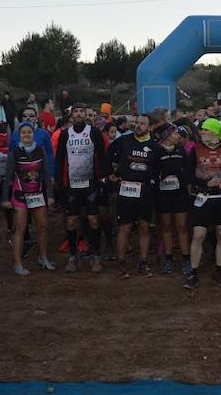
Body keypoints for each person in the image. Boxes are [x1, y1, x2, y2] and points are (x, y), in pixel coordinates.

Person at [183, 118, 221, 289]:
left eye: (205, 130)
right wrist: (205, 184)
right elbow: (187, 176)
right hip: (203, 197)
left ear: (214, 132)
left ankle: (219, 270)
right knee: (198, 235)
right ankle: (193, 272)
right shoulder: (195, 150)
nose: (201, 133)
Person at [55, 103, 108, 273]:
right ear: (72, 115)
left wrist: (104, 179)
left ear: (86, 114)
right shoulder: (65, 134)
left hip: (91, 184)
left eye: (81, 112)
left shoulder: (94, 132)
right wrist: (58, 183)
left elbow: (102, 156)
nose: (78, 114)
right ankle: (72, 255)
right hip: (71, 185)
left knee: (93, 220)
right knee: (71, 221)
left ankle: (95, 255)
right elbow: (60, 160)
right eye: (76, 112)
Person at [109, 113, 163, 279]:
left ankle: (143, 262)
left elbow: (158, 167)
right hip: (126, 189)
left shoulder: (155, 146)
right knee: (124, 227)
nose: (138, 126)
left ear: (149, 126)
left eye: (142, 123)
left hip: (145, 190)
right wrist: (114, 172)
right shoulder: (124, 140)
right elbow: (109, 153)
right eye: (136, 123)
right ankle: (122, 263)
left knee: (144, 226)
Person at [2, 121, 56, 276]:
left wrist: (51, 195)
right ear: (19, 135)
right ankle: (18, 264)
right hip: (20, 196)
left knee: (43, 227)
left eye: (29, 132)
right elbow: (8, 177)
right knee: (20, 229)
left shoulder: (40, 151)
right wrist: (5, 199)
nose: (27, 135)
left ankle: (43, 257)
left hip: (38, 195)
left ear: (34, 134)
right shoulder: (15, 153)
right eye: (23, 132)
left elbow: (46, 174)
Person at [155, 124, 192, 276]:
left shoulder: (181, 150)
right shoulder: (157, 150)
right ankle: (168, 258)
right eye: (176, 133)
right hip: (163, 193)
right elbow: (154, 171)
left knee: (182, 226)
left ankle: (186, 259)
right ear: (168, 135)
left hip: (180, 193)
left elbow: (188, 170)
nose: (179, 136)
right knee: (166, 226)